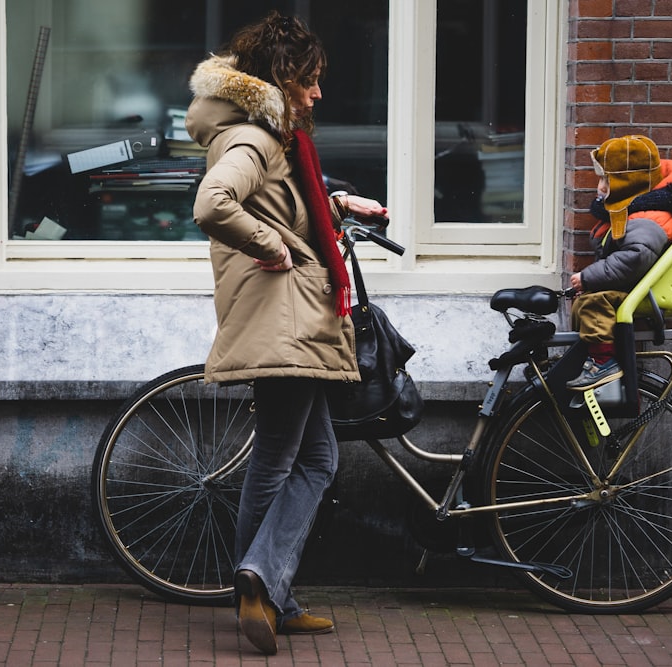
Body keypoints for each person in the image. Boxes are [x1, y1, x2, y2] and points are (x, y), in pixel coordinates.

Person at [185, 12, 388, 655]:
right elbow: (214, 203)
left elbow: (281, 205)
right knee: (290, 461)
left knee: (303, 459)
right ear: (283, 77)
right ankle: (261, 580)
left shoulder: (267, 137)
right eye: (312, 80)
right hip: (285, 315)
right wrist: (276, 248)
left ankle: (274, 593)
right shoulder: (254, 138)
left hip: (285, 315)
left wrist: (338, 205)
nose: (319, 93)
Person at [567, 135, 672, 391]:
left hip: (634, 286)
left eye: (607, 180)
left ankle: (603, 363)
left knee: (594, 302)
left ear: (628, 183)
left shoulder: (646, 219)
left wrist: (589, 277)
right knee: (584, 303)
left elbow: (634, 258)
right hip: (630, 283)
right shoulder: (638, 211)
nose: (600, 187)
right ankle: (592, 357)